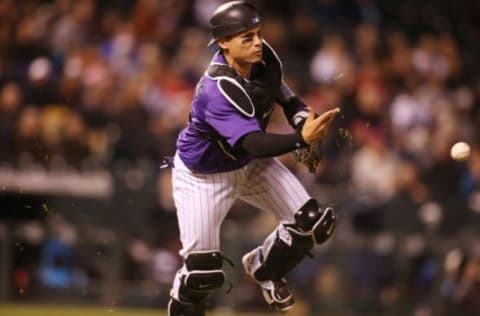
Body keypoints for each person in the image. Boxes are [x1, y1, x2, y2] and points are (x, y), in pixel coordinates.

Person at [167, 1, 340, 315]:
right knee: (202, 275)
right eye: (246, 37)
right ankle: (183, 293)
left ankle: (264, 269)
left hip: (245, 163)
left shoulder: (262, 59)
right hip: (204, 176)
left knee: (312, 224)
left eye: (257, 34)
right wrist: (301, 139)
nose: (257, 42)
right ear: (224, 43)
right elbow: (254, 143)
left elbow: (284, 95)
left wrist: (301, 119)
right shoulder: (216, 90)